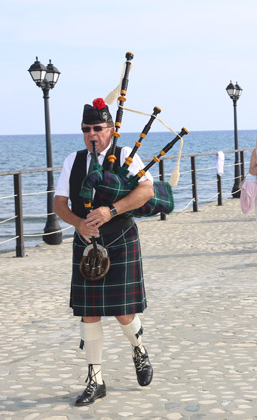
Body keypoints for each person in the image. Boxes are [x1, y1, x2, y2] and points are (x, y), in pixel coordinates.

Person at [54, 99, 155, 406]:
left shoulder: (126, 155)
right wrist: (78, 224)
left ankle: (138, 349)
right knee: (89, 313)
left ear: (111, 129)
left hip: (120, 236)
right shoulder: (74, 160)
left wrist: (112, 210)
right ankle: (95, 380)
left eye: (98, 128)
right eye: (86, 129)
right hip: (87, 245)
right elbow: (60, 204)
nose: (91, 134)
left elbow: (146, 190)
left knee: (124, 313)